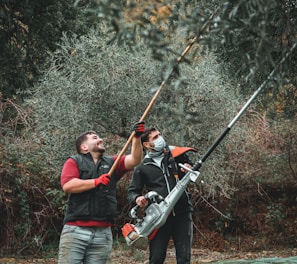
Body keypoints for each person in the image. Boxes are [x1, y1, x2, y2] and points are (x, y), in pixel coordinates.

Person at [58, 122, 145, 264]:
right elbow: (68, 185)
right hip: (75, 230)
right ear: (84, 147)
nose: (100, 139)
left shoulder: (112, 162)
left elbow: (134, 160)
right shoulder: (74, 161)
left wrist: (137, 138)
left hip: (103, 233)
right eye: (94, 138)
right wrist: (96, 182)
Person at [127, 127, 197, 264]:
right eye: (155, 137)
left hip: (183, 213)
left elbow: (193, 170)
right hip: (159, 218)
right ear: (147, 145)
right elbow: (132, 191)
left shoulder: (176, 154)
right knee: (157, 258)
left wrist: (188, 168)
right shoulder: (143, 167)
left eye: (159, 135)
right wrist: (137, 198)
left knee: (184, 258)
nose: (160, 138)